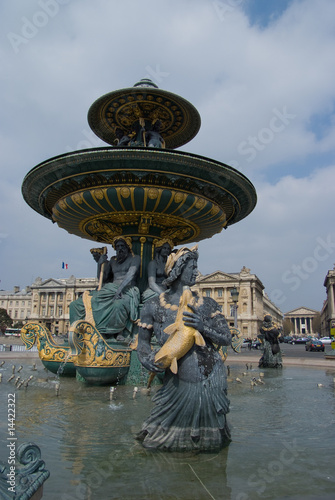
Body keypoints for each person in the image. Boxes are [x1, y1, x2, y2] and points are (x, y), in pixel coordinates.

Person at [136, 245, 232, 452]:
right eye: (192, 266)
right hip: (177, 383)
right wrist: (146, 359)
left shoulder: (207, 304)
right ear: (177, 270)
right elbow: (142, 343)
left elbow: (226, 338)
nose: (196, 271)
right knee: (158, 441)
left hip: (210, 378)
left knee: (210, 445)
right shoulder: (153, 306)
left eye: (197, 266)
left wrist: (202, 327)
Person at [69, 237, 141, 341]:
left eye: (122, 246)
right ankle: (84, 331)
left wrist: (119, 290)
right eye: (117, 247)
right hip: (110, 288)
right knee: (91, 301)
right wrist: (100, 264)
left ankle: (116, 332)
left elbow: (130, 274)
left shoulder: (135, 258)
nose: (120, 249)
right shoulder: (113, 261)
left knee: (118, 305)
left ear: (127, 247)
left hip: (127, 288)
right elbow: (103, 278)